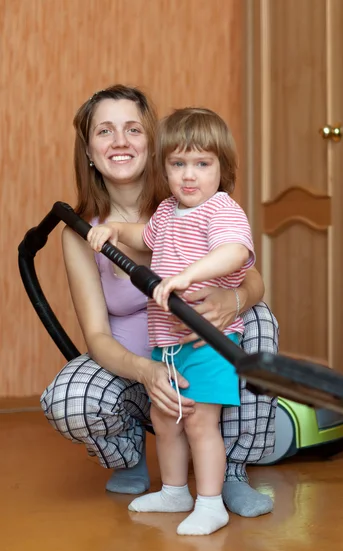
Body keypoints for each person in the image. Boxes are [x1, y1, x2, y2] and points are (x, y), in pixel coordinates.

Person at [40, 85, 279, 520]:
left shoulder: (185, 202)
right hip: (140, 362)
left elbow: (249, 271)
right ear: (89, 151)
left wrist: (235, 298)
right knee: (69, 397)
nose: (120, 142)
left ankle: (233, 471)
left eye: (133, 129)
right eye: (105, 132)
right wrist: (148, 372)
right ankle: (134, 457)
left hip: (201, 350)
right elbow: (95, 334)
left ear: (153, 145)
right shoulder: (81, 232)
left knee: (259, 319)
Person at [88, 107, 256, 535]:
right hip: (167, 343)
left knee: (201, 421)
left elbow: (235, 253)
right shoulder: (167, 212)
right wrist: (112, 231)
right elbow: (142, 234)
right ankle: (175, 491)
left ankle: (212, 502)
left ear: (224, 168)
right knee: (167, 419)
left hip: (208, 343)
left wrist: (187, 276)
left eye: (202, 164)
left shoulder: (221, 209)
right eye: (178, 164)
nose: (189, 175)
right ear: (164, 168)